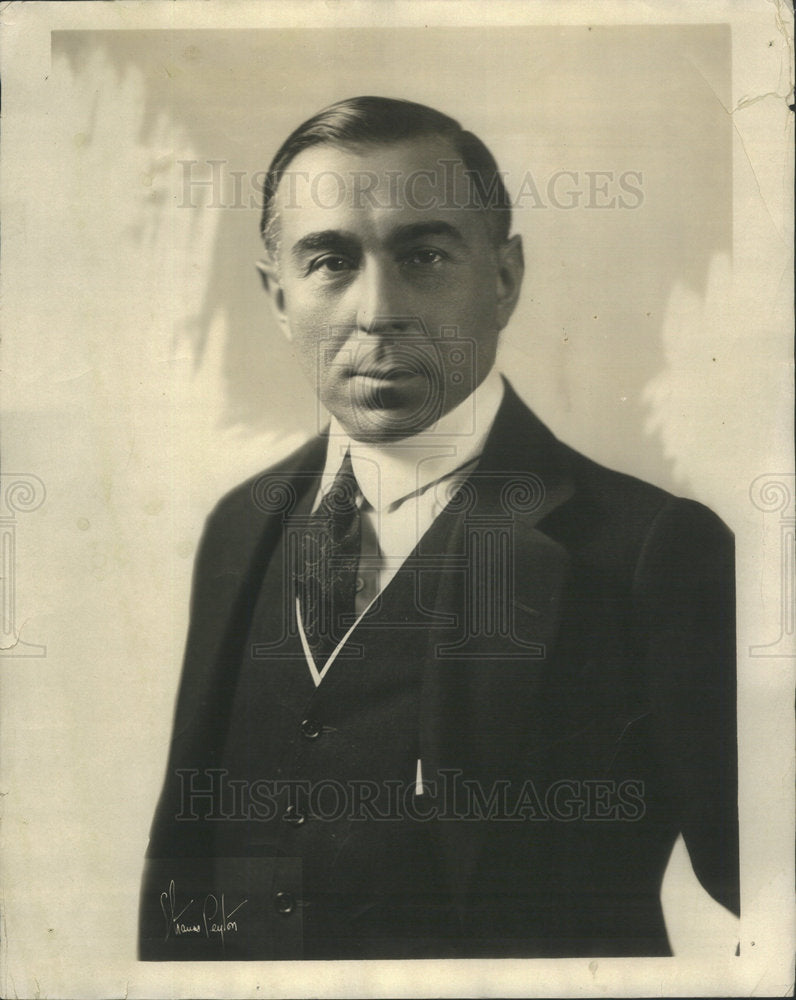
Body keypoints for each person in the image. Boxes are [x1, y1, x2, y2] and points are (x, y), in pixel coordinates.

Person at [139, 96, 738, 960]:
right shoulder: (244, 525)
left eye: (423, 256)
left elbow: (768, 883)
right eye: (330, 261)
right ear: (277, 296)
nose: (378, 311)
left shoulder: (652, 552)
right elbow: (183, 885)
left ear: (502, 279)